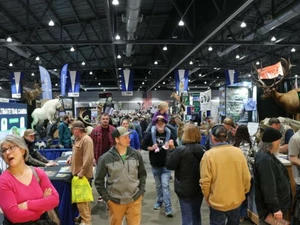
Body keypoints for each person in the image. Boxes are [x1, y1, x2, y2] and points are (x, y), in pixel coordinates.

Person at [0, 134, 59, 224]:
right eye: (4, 150)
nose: (7, 152)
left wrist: (26, 205)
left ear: (23, 150)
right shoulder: (4, 181)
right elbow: (14, 216)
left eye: (11, 147)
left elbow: (54, 199)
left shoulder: (38, 173)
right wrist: (42, 207)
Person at [94, 127, 147, 225]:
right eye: (125, 137)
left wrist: (141, 191)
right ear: (117, 139)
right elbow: (98, 181)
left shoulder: (136, 155)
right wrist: (108, 199)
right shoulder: (105, 158)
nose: (129, 139)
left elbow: (142, 174)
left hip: (134, 199)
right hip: (115, 201)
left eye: (129, 136)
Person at [200, 125, 251, 225]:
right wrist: (244, 191)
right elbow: (246, 177)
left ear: (212, 138)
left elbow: (205, 181)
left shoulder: (208, 155)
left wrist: (207, 197)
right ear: (227, 137)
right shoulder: (238, 152)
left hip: (217, 200)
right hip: (236, 199)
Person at [166, 124, 205, 225]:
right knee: (196, 214)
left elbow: (170, 165)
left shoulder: (180, 150)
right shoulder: (203, 149)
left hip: (183, 188)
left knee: (186, 216)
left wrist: (170, 150)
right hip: (199, 187)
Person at [141, 115, 177, 217]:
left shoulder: (169, 134)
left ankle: (168, 208)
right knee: (158, 186)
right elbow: (142, 145)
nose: (160, 124)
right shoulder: (150, 134)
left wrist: (172, 146)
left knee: (165, 186)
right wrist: (151, 148)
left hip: (166, 165)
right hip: (155, 165)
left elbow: (176, 147)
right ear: (155, 124)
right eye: (158, 123)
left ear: (165, 124)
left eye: (162, 123)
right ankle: (159, 201)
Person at [254, 127, 291, 223]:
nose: (280, 144)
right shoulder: (265, 159)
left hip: (274, 206)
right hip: (271, 209)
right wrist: (275, 208)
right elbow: (268, 186)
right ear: (274, 142)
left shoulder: (265, 155)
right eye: (279, 141)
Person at [66, 121, 94, 225]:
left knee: (82, 202)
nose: (71, 131)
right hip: (79, 175)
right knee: (83, 202)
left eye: (72, 129)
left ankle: (86, 221)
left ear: (77, 130)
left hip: (82, 177)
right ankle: (83, 218)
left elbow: (88, 158)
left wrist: (81, 173)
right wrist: (71, 158)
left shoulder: (87, 140)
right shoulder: (79, 139)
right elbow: (78, 154)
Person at [233, 124, 253, 222]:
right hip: (247, 172)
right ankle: (242, 214)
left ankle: (238, 214)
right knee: (245, 194)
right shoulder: (249, 143)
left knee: (238, 194)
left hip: (236, 172)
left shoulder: (235, 143)